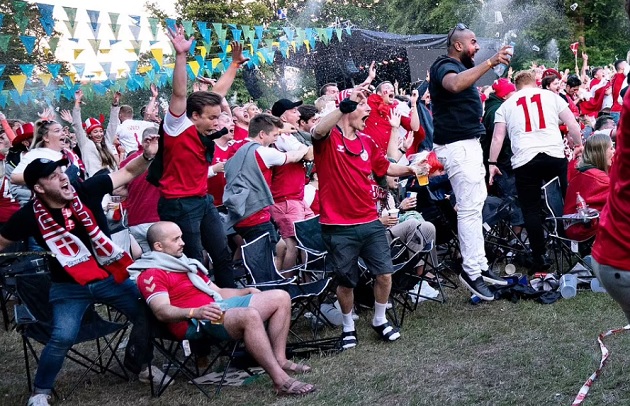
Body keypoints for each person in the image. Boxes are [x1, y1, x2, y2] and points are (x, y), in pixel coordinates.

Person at [0, 140, 160, 406]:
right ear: (38, 188)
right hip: (68, 288)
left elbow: (128, 173)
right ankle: (40, 392)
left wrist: (146, 155)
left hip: (110, 279)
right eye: (53, 176)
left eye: (62, 171)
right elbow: (2, 242)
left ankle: (141, 364)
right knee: (62, 336)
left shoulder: (86, 190)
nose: (63, 177)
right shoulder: (29, 216)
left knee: (147, 311)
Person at [130, 221, 316, 396]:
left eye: (181, 237)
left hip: (216, 307)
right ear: (158, 247)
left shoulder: (184, 264)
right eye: (176, 239)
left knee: (280, 297)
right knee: (249, 315)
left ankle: (280, 360)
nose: (183, 243)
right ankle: (280, 381)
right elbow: (162, 311)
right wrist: (195, 312)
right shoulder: (151, 274)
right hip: (197, 320)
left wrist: (244, 291)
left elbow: (217, 291)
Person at [311, 83, 424, 348]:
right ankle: (348, 326)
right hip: (338, 226)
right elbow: (317, 131)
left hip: (370, 222)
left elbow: (386, 168)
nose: (369, 115)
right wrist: (344, 104)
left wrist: (413, 169)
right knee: (347, 281)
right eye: (364, 108)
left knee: (384, 274)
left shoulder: (367, 141)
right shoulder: (328, 140)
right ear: (348, 110)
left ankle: (380, 319)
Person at [157, 25, 248, 288]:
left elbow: (217, 94)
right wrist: (181, 56)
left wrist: (233, 65)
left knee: (221, 254)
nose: (217, 122)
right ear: (193, 115)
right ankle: (200, 313)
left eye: (218, 116)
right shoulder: (176, 126)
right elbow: (179, 94)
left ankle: (230, 303)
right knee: (194, 259)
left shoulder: (204, 118)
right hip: (178, 204)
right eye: (212, 118)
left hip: (202, 200)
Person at [428, 23, 512, 300]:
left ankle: (480, 267)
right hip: (457, 148)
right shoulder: (444, 65)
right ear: (458, 46)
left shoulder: (461, 67)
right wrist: (490, 62)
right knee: (468, 210)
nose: (477, 47)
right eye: (473, 42)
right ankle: (471, 272)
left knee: (474, 209)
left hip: (467, 146)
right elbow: (453, 85)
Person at [488, 70, 582, 273]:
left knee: (530, 209)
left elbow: (498, 138)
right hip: (553, 154)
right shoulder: (551, 96)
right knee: (566, 200)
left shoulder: (506, 105)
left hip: (525, 158)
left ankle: (540, 256)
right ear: (535, 83)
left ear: (516, 86)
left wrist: (492, 163)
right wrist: (579, 144)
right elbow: (572, 123)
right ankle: (575, 243)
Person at [223, 114, 308, 246]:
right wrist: (303, 148)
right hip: (255, 216)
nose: (276, 139)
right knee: (266, 257)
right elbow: (293, 156)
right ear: (262, 134)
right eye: (275, 135)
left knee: (276, 248)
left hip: (239, 213)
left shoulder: (237, 146)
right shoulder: (263, 152)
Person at [562, 133, 614, 241]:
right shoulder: (594, 176)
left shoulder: (586, 171)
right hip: (582, 227)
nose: (614, 151)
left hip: (578, 224)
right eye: (611, 148)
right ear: (601, 152)